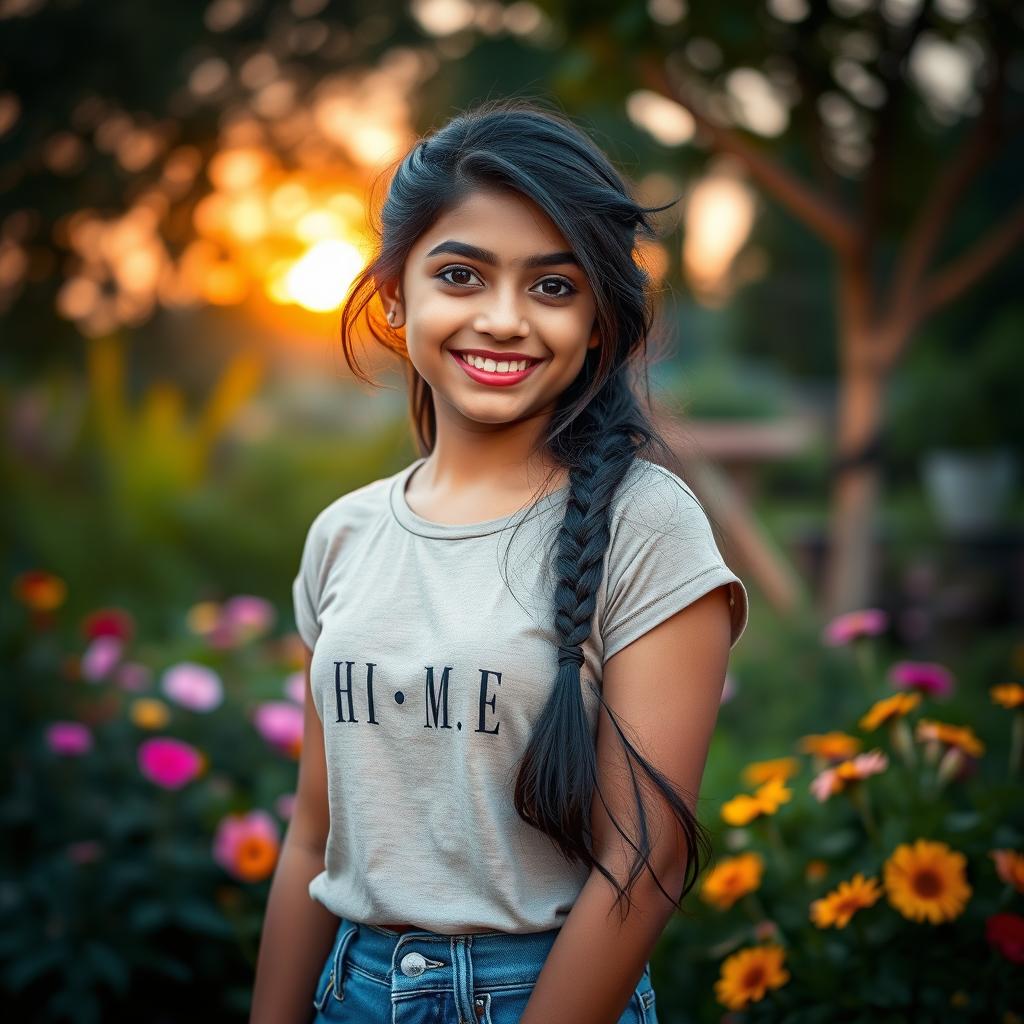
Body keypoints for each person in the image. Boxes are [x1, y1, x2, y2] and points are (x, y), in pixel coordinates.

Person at [250, 97, 749, 1024]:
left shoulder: (647, 526)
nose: (506, 319)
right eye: (462, 275)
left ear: (600, 321)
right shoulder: (344, 536)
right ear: (398, 297)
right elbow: (315, 837)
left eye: (553, 287)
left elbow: (646, 865)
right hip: (347, 992)